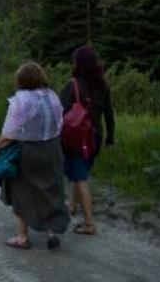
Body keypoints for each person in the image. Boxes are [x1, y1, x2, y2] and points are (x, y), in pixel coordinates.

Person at [0, 62, 70, 250]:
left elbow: (10, 133)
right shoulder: (52, 96)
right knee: (51, 189)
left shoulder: (21, 100)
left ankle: (22, 237)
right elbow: (59, 123)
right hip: (52, 148)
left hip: (29, 152)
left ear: (21, 80)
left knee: (20, 191)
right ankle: (52, 231)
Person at [60, 46, 115, 236]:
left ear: (79, 64)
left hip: (76, 138)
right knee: (80, 173)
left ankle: (89, 223)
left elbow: (59, 113)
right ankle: (72, 206)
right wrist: (110, 137)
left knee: (80, 177)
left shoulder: (72, 85)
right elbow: (109, 114)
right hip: (95, 138)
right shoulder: (103, 85)